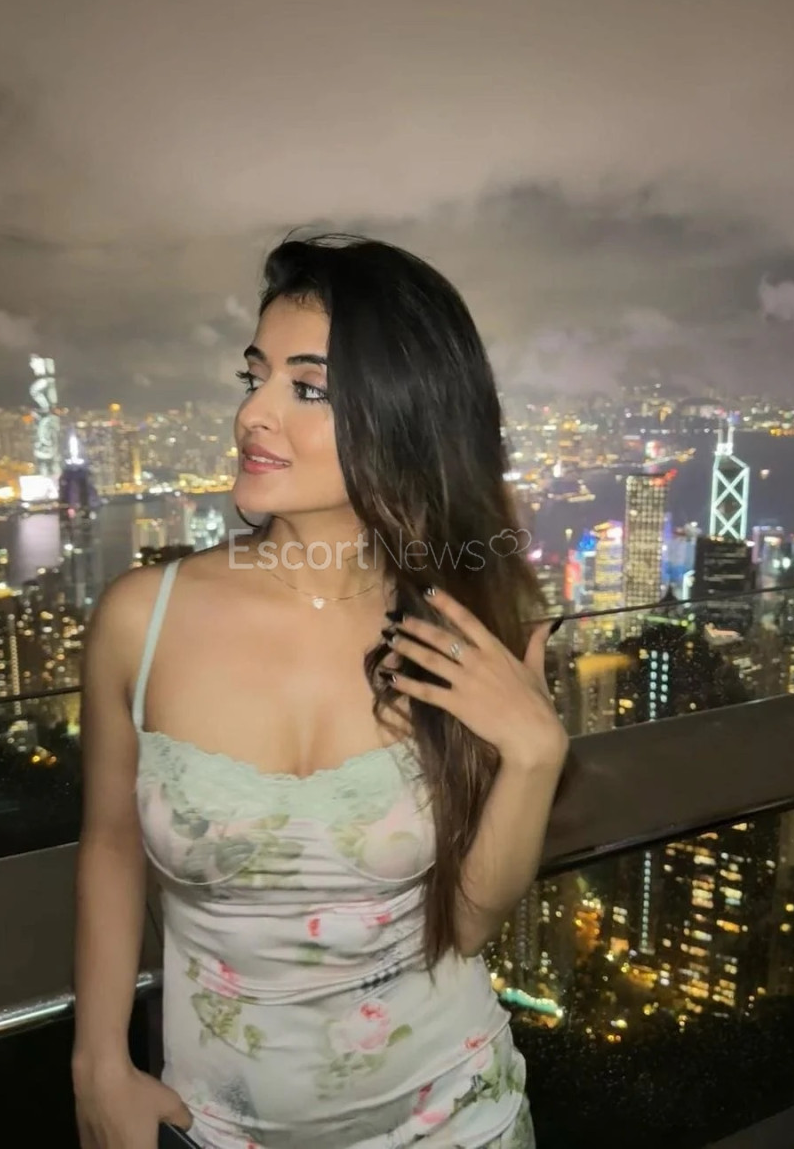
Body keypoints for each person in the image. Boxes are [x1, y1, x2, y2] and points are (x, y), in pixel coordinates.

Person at [72, 234, 569, 1149]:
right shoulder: (142, 620)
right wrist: (98, 1061)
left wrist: (534, 756)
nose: (252, 414)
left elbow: (464, 925)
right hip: (218, 1127)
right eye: (253, 376)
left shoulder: (458, 629)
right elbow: (109, 840)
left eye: (307, 388)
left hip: (461, 1119)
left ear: (404, 418)